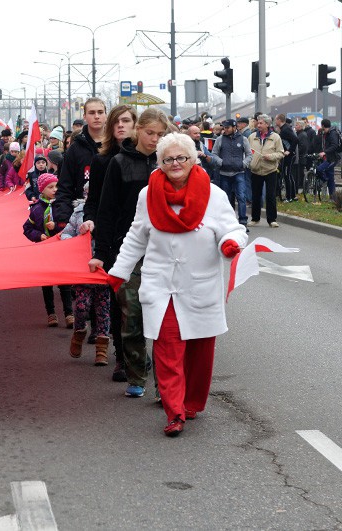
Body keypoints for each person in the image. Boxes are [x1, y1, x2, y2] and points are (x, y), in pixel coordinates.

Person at [106, 133, 247, 437]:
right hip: (161, 285)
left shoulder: (213, 194)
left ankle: (192, 402)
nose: (174, 164)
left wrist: (230, 243)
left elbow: (231, 228)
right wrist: (119, 271)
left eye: (181, 157)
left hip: (200, 286)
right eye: (167, 159)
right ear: (160, 164)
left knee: (199, 351)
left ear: (193, 159)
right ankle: (174, 411)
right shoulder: (148, 195)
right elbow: (136, 236)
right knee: (167, 349)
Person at [90, 108, 169, 398]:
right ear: (138, 131)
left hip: (164, 251)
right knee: (131, 317)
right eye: (150, 133)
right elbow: (106, 210)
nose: (155, 139)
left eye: (161, 134)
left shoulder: (169, 163)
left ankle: (167, 386)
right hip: (128, 250)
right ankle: (137, 374)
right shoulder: (119, 163)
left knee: (163, 321)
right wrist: (102, 252)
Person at [81, 104, 136, 380]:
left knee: (144, 301)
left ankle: (140, 351)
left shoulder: (148, 158)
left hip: (147, 239)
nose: (122, 126)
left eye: (127, 121)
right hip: (115, 237)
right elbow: (96, 202)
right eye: (117, 122)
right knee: (119, 299)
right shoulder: (103, 161)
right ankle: (123, 356)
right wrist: (90, 220)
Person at [60, 197, 111, 365]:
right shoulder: (79, 212)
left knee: (103, 310)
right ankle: (79, 332)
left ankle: (101, 350)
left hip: (104, 270)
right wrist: (78, 240)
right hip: (83, 271)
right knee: (82, 306)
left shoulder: (110, 210)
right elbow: (65, 234)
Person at [22, 173, 73, 328]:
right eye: (50, 187)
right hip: (44, 252)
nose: (54, 190)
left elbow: (69, 225)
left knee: (65, 283)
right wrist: (40, 235)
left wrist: (56, 227)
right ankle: (51, 313)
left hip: (60, 251)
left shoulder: (62, 206)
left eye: (56, 186)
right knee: (47, 283)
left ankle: (69, 313)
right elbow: (27, 228)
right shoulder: (37, 209)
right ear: (42, 190)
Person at [54, 98, 106, 228]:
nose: (97, 116)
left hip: (110, 215)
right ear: (84, 116)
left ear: (106, 114)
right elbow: (65, 187)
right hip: (80, 216)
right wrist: (63, 219)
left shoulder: (116, 145)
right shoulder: (75, 149)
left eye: (100, 112)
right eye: (92, 112)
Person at [212, 119, 252, 226]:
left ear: (234, 128)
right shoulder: (220, 139)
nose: (225, 130)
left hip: (239, 173)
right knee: (227, 198)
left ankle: (243, 221)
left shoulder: (243, 139)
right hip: (224, 173)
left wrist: (243, 164)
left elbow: (249, 154)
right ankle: (230, 221)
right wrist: (221, 162)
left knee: (241, 197)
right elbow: (214, 154)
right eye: (224, 128)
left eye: (227, 127)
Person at [249, 114, 284, 227]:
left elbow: (281, 153)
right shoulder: (252, 136)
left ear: (267, 124)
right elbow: (248, 152)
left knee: (270, 195)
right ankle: (255, 218)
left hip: (270, 170)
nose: (258, 125)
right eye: (257, 123)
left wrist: (271, 156)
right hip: (255, 170)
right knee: (256, 195)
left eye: (261, 123)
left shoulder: (275, 137)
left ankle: (272, 220)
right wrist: (250, 163)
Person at [275, 114, 298, 202]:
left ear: (279, 120)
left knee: (286, 175)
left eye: (276, 120)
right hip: (287, 155)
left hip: (289, 156)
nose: (275, 122)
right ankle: (293, 195)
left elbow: (296, 139)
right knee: (288, 175)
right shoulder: (284, 128)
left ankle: (289, 197)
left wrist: (290, 150)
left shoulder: (286, 129)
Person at [316, 118, 340, 199]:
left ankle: (324, 179)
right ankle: (333, 198)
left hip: (333, 159)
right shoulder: (328, 133)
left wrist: (324, 152)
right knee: (331, 178)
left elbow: (334, 145)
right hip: (329, 158)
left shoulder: (332, 133)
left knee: (320, 169)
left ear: (323, 126)